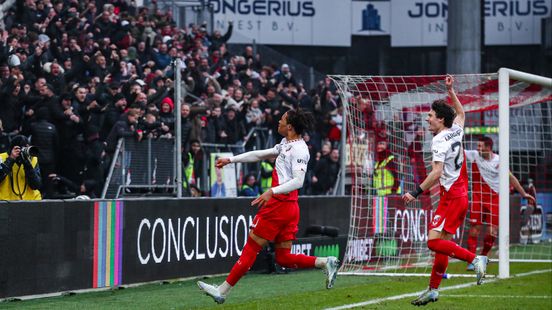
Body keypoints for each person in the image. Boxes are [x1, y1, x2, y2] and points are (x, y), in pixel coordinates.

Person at [197, 109, 339, 304]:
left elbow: (299, 181)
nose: (278, 122)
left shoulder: (299, 149)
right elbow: (260, 155)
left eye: (281, 120)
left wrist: (272, 191)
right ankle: (325, 262)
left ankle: (221, 291)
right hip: (289, 208)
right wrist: (232, 160)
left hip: (279, 207)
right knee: (283, 257)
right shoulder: (286, 144)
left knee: (251, 248)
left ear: (289, 126)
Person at [402, 75, 487, 306]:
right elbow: (461, 113)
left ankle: (475, 259)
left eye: (430, 116)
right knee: (443, 246)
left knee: (432, 242)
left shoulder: (439, 141)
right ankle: (433, 290)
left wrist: (415, 192)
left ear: (440, 120)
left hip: (452, 198)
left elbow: (436, 173)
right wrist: (451, 91)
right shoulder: (456, 130)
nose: (427, 118)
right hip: (460, 196)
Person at [465, 136, 536, 269]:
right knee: (474, 230)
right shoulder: (474, 155)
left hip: (495, 198)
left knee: (492, 231)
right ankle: (471, 260)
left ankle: (484, 256)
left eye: (480, 146)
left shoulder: (499, 161)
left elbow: (511, 178)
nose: (477, 148)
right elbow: (457, 151)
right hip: (478, 198)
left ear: (488, 148)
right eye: (478, 146)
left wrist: (523, 194)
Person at [0, 135, 42, 200]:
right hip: (7, 202)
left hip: (31, 201)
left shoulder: (33, 159)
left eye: (26, 148)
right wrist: (11, 159)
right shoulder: (2, 158)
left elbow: (36, 185)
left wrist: (27, 164)